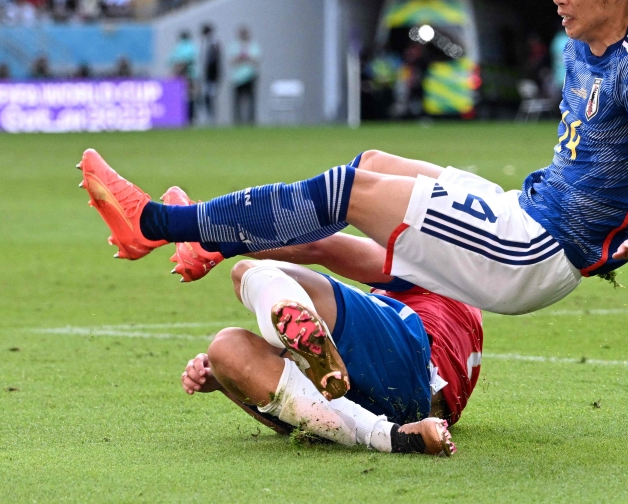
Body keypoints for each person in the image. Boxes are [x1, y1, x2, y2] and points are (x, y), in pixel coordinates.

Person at [76, 0, 628, 317]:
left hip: (536, 250)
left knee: (352, 190)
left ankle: (156, 225)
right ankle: (216, 241)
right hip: (525, 210)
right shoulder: (585, 44)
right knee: (371, 165)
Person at [166, 189, 479, 455]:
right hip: (403, 405)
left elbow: (319, 247)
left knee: (246, 274)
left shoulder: (437, 258)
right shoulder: (465, 294)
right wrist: (227, 382)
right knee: (225, 350)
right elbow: (295, 412)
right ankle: (391, 437)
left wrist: (208, 234)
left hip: (412, 358)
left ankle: (307, 351)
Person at [228, 26, 260, 124]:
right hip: (237, 78)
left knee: (251, 100)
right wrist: (240, 58)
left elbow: (257, 60)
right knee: (237, 101)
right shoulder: (234, 45)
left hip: (250, 76)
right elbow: (231, 61)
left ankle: (251, 121)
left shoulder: (253, 45)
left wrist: (247, 57)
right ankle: (237, 121)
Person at [168, 30, 199, 123]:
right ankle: (190, 117)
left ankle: (183, 117)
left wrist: (176, 71)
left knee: (185, 97)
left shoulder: (178, 47)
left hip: (184, 76)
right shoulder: (191, 47)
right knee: (190, 97)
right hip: (189, 76)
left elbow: (171, 60)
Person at [201, 24, 222, 123]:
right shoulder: (204, 43)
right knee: (206, 96)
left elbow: (215, 60)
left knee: (211, 96)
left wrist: (216, 75)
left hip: (212, 75)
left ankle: (212, 117)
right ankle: (209, 115)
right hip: (206, 75)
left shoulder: (214, 43)